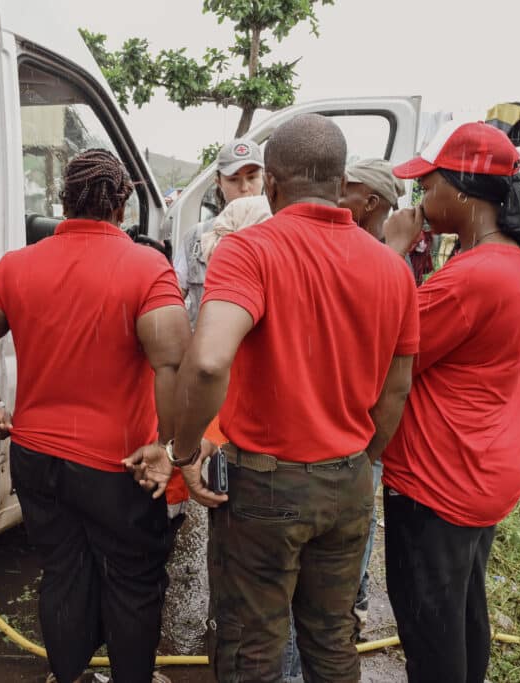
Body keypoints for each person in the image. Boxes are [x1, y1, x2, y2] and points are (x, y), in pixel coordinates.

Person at [165, 114, 419, 683]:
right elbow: (396, 388)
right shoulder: (392, 268)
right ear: (338, 182)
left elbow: (207, 360)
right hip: (350, 479)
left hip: (265, 485)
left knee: (252, 645)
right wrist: (361, 458)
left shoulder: (248, 251)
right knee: (331, 640)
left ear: (272, 185)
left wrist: (185, 450)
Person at [0, 148, 190, 683]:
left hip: (36, 459)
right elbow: (173, 362)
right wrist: (169, 448)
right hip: (118, 465)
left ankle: (70, 675)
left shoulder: (18, 265)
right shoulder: (147, 266)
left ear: (63, 200)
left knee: (62, 572)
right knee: (132, 581)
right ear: (122, 203)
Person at [381, 122, 520, 683]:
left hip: (438, 479)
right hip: (491, 471)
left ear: (464, 193)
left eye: (430, 186)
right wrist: (518, 351)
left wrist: (392, 251)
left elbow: (379, 350)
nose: (422, 200)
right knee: (464, 611)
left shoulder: (471, 279)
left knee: (429, 633)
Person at [336, 157, 407, 636]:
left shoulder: (388, 263)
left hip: (359, 435)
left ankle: (351, 606)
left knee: (349, 545)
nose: (339, 195)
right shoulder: (388, 260)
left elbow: (397, 374)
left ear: (371, 201)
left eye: (348, 189)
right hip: (358, 436)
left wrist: (371, 453)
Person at [173, 138, 264, 326]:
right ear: (219, 183)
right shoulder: (196, 237)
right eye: (233, 179)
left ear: (266, 178)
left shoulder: (280, 232)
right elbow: (172, 299)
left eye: (252, 177)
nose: (245, 188)